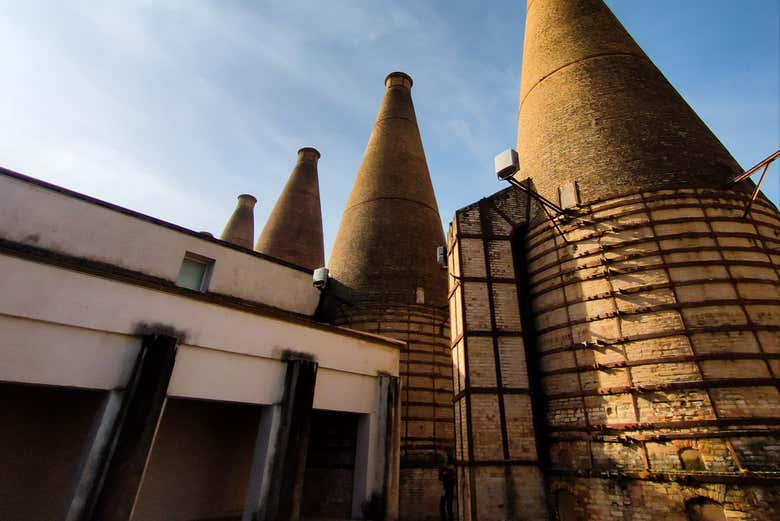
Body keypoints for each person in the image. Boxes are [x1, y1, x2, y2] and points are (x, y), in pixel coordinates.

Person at [439, 451, 456, 521]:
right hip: (445, 488)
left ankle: (450, 518)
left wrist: (446, 471)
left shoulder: (451, 464)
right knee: (443, 504)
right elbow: (440, 477)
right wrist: (443, 472)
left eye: (445, 456)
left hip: (449, 487)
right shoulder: (444, 465)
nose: (444, 457)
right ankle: (445, 518)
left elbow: (452, 472)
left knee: (448, 505)